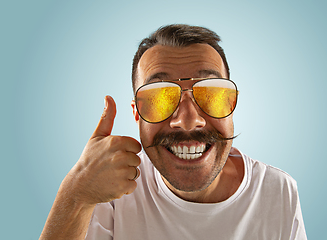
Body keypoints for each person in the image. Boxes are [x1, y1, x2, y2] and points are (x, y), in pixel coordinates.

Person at [40, 24, 307, 240]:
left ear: (232, 105)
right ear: (136, 114)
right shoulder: (109, 191)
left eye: (211, 94)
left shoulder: (278, 192)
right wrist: (76, 194)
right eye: (160, 98)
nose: (188, 121)